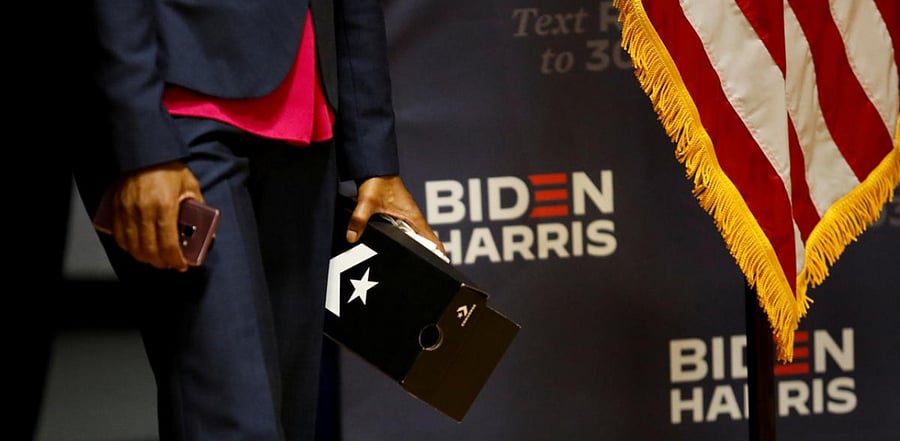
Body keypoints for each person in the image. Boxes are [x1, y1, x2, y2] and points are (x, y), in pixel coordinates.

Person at [71, 1, 446, 440]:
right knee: (235, 421)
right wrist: (143, 143)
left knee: (287, 422)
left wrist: (375, 161)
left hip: (306, 111)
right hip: (181, 111)